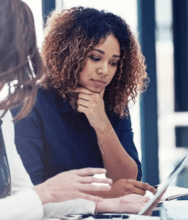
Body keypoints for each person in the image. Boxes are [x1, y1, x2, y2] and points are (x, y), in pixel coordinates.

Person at [0, 1, 160, 219]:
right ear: (69, 54)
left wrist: (102, 123)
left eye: (113, 62)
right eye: (95, 58)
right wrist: (107, 195)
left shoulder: (112, 101)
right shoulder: (28, 103)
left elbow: (130, 181)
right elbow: (32, 194)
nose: (104, 70)